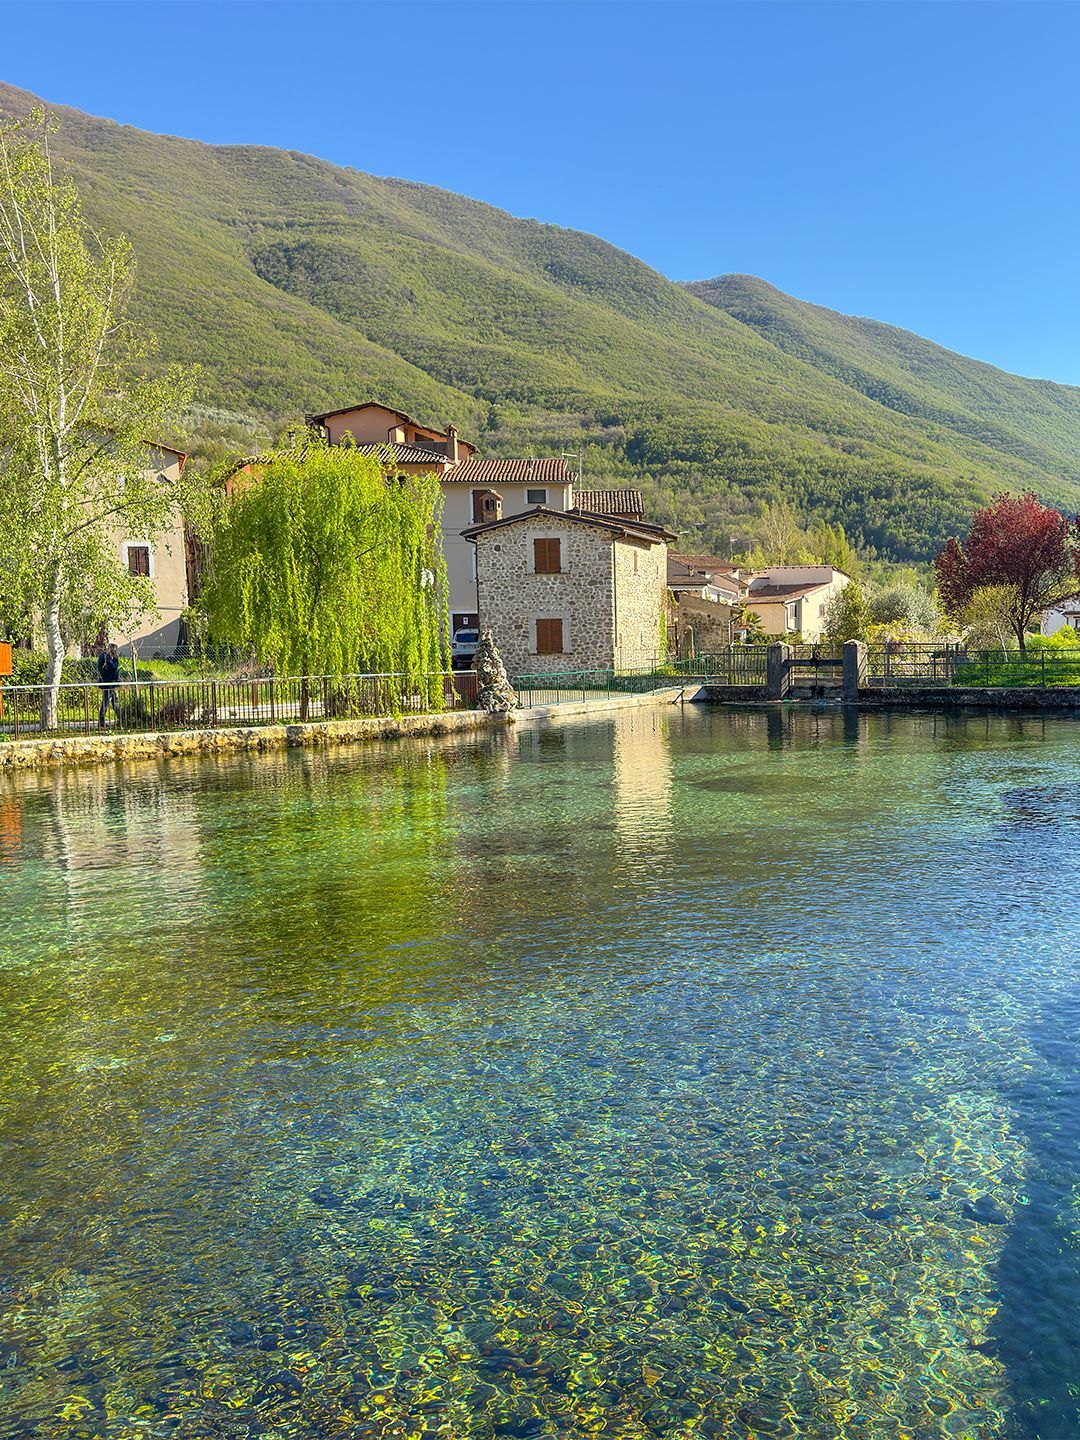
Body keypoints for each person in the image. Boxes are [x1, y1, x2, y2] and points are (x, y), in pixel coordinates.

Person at [97, 643, 121, 728]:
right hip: (107, 683)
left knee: (114, 701)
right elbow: (114, 668)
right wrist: (115, 659)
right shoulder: (105, 657)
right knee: (106, 701)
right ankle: (101, 721)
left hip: (111, 683)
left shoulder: (108, 657)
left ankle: (121, 719)